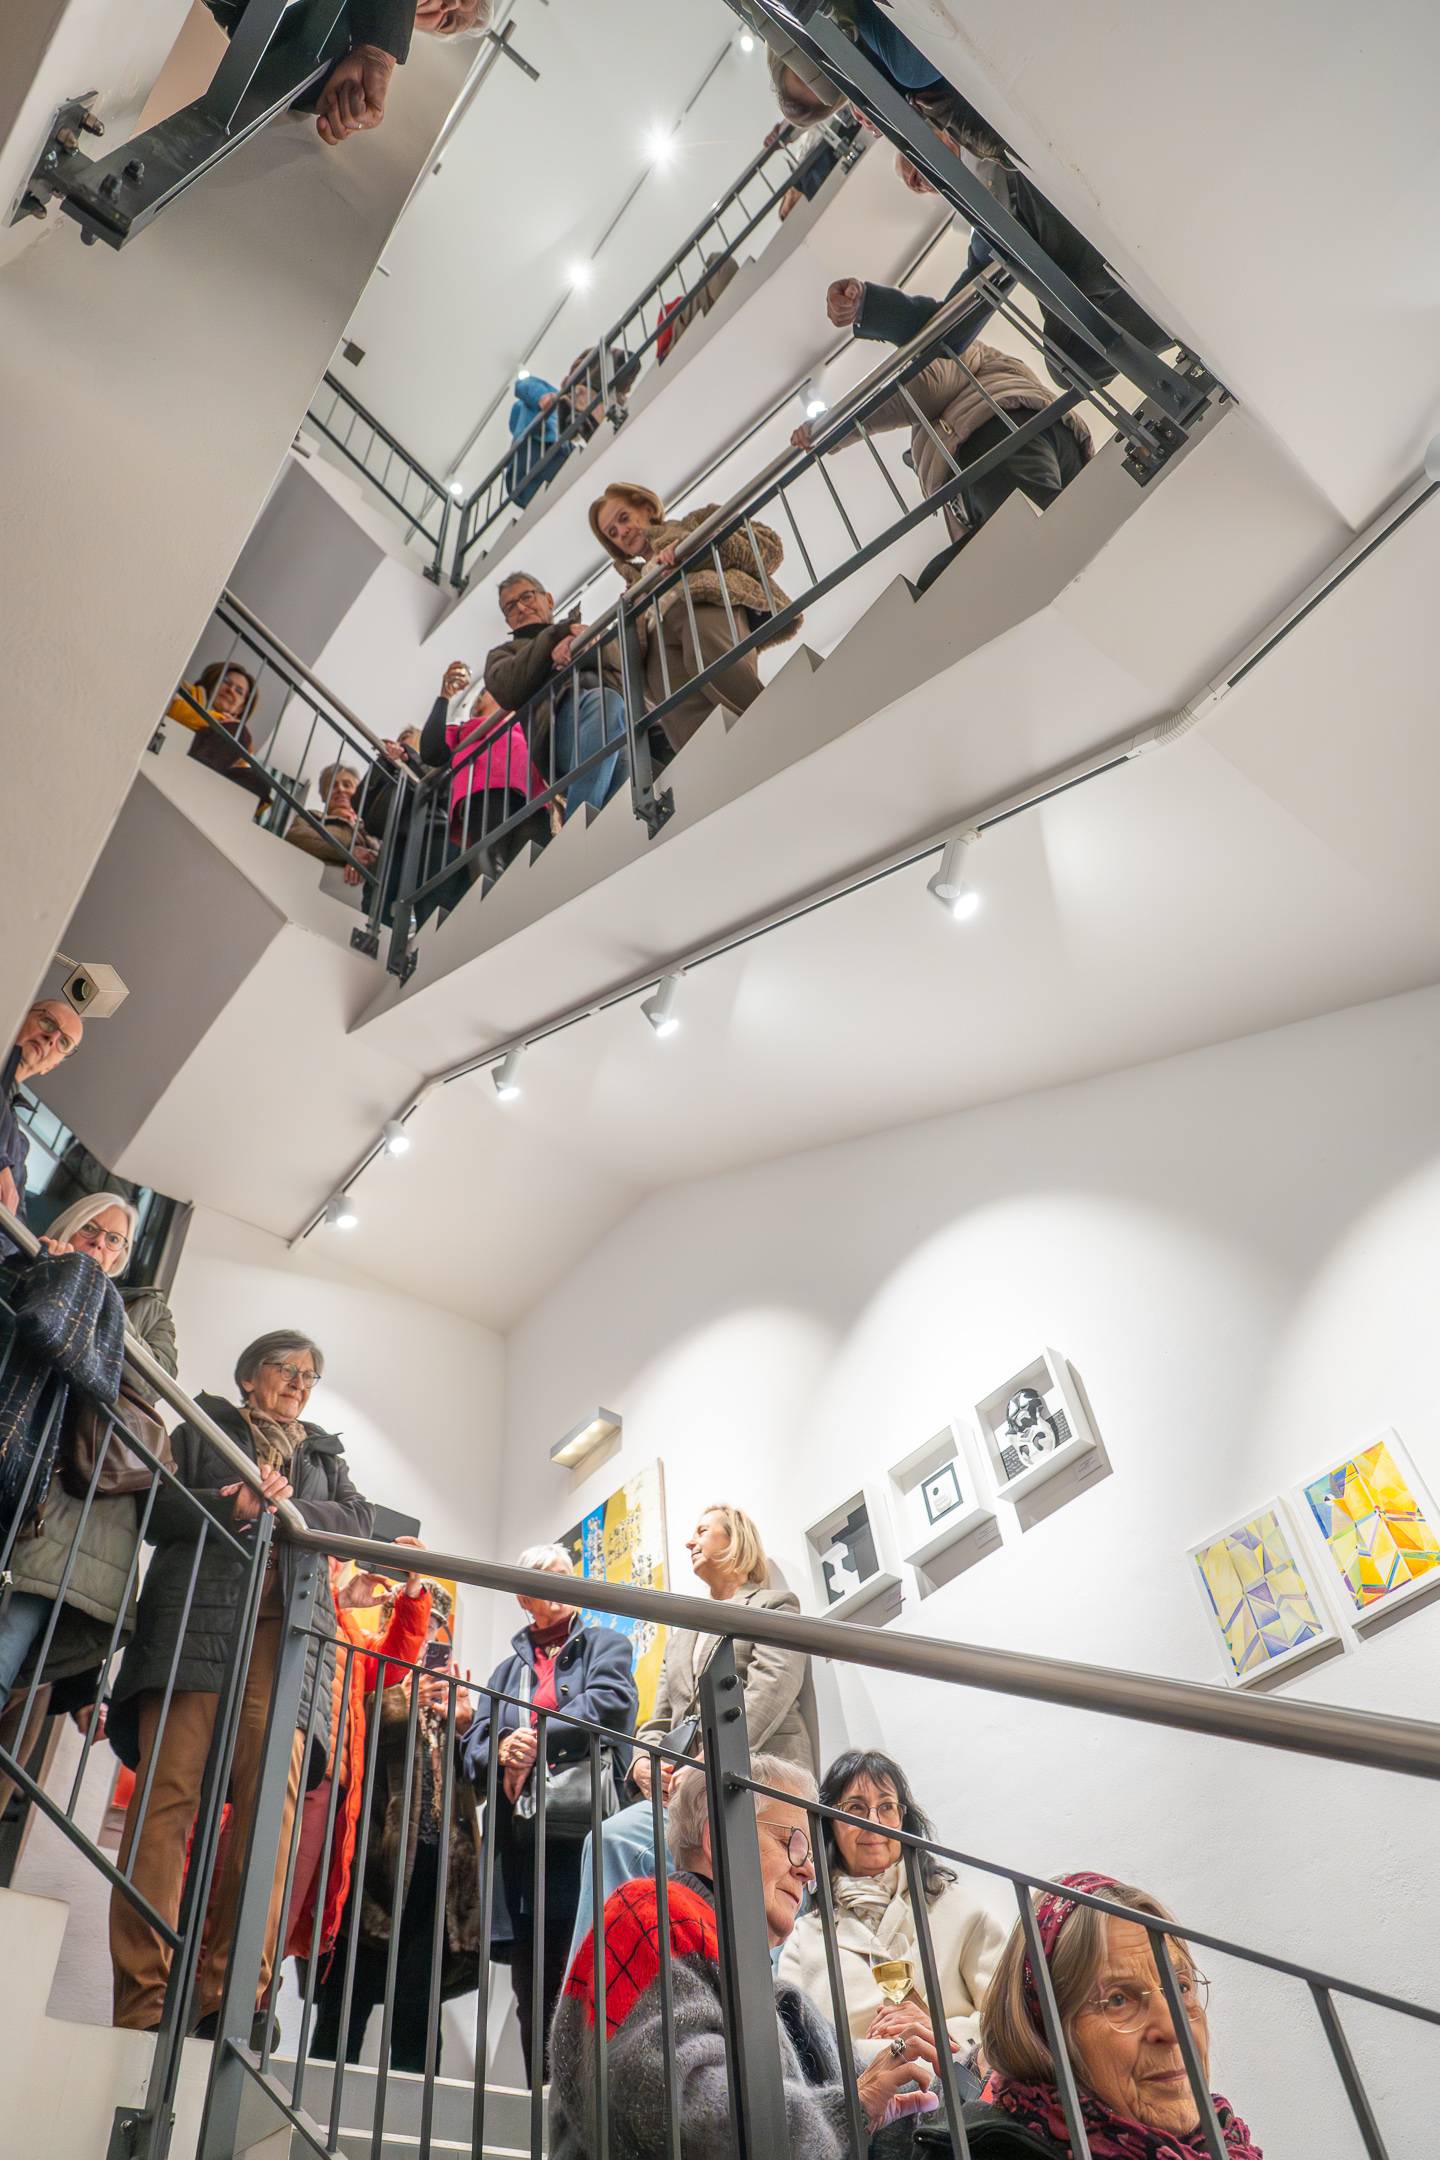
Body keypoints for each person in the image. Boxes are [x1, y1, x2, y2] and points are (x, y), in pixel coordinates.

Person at [107, 1328, 373, 2035]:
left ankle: (228, 2001)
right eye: (286, 1370)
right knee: (166, 1804)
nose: (298, 1383)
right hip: (194, 1630)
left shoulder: (323, 1458)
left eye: (310, 1376)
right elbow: (154, 1510)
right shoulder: (200, 1427)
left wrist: (287, 1513)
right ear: (251, 1376)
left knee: (270, 1820)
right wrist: (235, 1505)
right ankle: (144, 1999)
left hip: (285, 1647)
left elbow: (357, 1521)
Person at [550, 1757, 945, 2159]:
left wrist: (976, 2069)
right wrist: (853, 2108)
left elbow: (865, 2098)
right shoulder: (649, 1917)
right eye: (792, 1844)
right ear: (720, 1839)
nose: (808, 1870)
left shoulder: (763, 1985)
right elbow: (689, 2115)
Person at [569, 1502, 817, 1962]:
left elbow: (769, 1693)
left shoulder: (773, 1605)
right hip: (688, 1798)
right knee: (610, 1840)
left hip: (758, 1787)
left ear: (736, 1538)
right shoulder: (682, 1633)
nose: (690, 1541)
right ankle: (602, 1992)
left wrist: (712, 1763)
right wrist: (644, 1760)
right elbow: (657, 1721)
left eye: (702, 1530)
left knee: (762, 1890)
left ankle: (762, 2011)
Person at [459, 1544, 637, 2081]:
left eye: (569, 1575)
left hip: (583, 1839)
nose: (565, 1584)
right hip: (520, 1848)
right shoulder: (504, 1672)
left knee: (591, 1975)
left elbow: (610, 1704)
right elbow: (474, 1749)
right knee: (532, 1988)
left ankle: (596, 2113)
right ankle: (547, 2109)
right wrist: (501, 1751)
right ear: (523, 1596)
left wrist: (532, 1741)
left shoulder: (606, 1645)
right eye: (550, 1576)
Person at [0, 1194, 177, 1706]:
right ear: (68, 1227)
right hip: (15, 1455)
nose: (99, 1245)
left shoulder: (148, 1309)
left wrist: (82, 1286)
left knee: (10, 1638)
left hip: (68, 1500)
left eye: (113, 1240)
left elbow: (152, 1380)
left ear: (122, 1255)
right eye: (89, 1233)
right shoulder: (26, 1267)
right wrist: (50, 1277)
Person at [310, 1580, 484, 2073]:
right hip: (373, 1858)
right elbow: (351, 1731)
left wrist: (463, 1724)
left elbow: (473, 1789)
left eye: (437, 1629)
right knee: (347, 1994)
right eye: (422, 1625)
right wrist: (400, 1700)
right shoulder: (373, 1668)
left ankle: (413, 2114)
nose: (428, 1636)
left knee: (418, 1999)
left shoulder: (446, 1696)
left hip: (438, 1866)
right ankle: (320, 2097)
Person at [969, 1872, 1264, 2156]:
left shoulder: (1225, 2145)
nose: (1175, 2031)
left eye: (1181, 1988)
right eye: (1118, 2000)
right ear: (1043, 2031)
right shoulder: (995, 2149)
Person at [791, 342, 1091, 594]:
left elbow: (925, 389)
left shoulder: (958, 347)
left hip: (999, 437)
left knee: (1047, 534)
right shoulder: (956, 417)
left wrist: (834, 430)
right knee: (934, 582)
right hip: (1027, 446)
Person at [779, 1748, 1006, 2063]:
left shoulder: (959, 1910)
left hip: (952, 2091)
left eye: (887, 1806)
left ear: (903, 1821)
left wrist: (938, 2033)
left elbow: (1011, 2019)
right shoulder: (804, 1937)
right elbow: (793, 2044)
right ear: (830, 1822)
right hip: (859, 2099)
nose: (873, 1821)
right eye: (856, 1808)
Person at [284, 1545, 430, 2001]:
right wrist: (337, 1597)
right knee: (266, 1890)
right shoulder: (307, 1597)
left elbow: (391, 1664)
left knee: (294, 1900)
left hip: (333, 1783)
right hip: (298, 1766)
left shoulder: (346, 1625)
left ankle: (253, 1998)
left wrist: (412, 1589)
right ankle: (228, 2002)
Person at [589, 486, 799, 753]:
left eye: (624, 518)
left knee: (704, 656)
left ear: (647, 509)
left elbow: (768, 548)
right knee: (677, 708)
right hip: (661, 645)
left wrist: (693, 549)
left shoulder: (696, 522)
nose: (623, 532)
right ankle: (720, 766)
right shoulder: (632, 589)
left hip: (703, 605)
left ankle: (777, 730)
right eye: (613, 533)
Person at [483, 572, 629, 821]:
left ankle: (595, 836)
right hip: (557, 730)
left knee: (624, 792)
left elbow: (622, 659)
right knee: (606, 704)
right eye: (510, 606)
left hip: (618, 725)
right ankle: (580, 825)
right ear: (508, 621)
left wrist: (577, 644)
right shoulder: (503, 654)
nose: (520, 607)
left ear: (548, 599)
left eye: (526, 596)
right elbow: (508, 688)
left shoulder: (580, 631)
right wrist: (554, 642)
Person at [0, 1001, 84, 1243]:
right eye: (47, 1022)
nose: (51, 1037)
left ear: (53, 1066)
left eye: (64, 1042)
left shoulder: (19, 1145)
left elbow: (15, 1226)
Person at [169, 663, 273, 812]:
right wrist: (218, 720)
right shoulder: (189, 693)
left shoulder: (241, 737)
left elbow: (242, 768)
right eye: (226, 681)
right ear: (214, 683)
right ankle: (197, 776)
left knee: (262, 784)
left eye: (239, 691)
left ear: (241, 708)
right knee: (237, 732)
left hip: (213, 776)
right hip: (190, 763)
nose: (230, 690)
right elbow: (176, 709)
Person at [284, 762, 380, 882]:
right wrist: (350, 851)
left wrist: (368, 856)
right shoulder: (311, 817)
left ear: (358, 794)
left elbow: (382, 857)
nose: (340, 789)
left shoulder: (371, 828)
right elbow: (295, 836)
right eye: (333, 786)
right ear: (325, 796)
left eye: (347, 785)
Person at [506, 373, 570, 510]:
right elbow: (522, 384)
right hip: (541, 451)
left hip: (524, 481)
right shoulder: (552, 394)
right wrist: (541, 396)